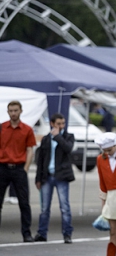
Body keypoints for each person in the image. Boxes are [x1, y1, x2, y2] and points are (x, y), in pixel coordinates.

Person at [33, 113, 75, 243]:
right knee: (44, 207)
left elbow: (68, 148)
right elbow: (40, 160)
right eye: (58, 124)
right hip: (47, 176)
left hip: (62, 176)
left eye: (63, 123)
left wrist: (57, 137)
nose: (61, 126)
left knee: (64, 207)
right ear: (52, 124)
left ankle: (67, 233)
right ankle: (42, 233)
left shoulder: (68, 136)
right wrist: (38, 178)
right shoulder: (46, 139)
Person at [0, 100, 36, 243]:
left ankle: (26, 233)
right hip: (2, 168)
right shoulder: (2, 128)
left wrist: (26, 169)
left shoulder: (27, 129)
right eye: (11, 111)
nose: (13, 113)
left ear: (21, 111)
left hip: (19, 168)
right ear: (8, 112)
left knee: (24, 203)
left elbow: (30, 150)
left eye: (16, 110)